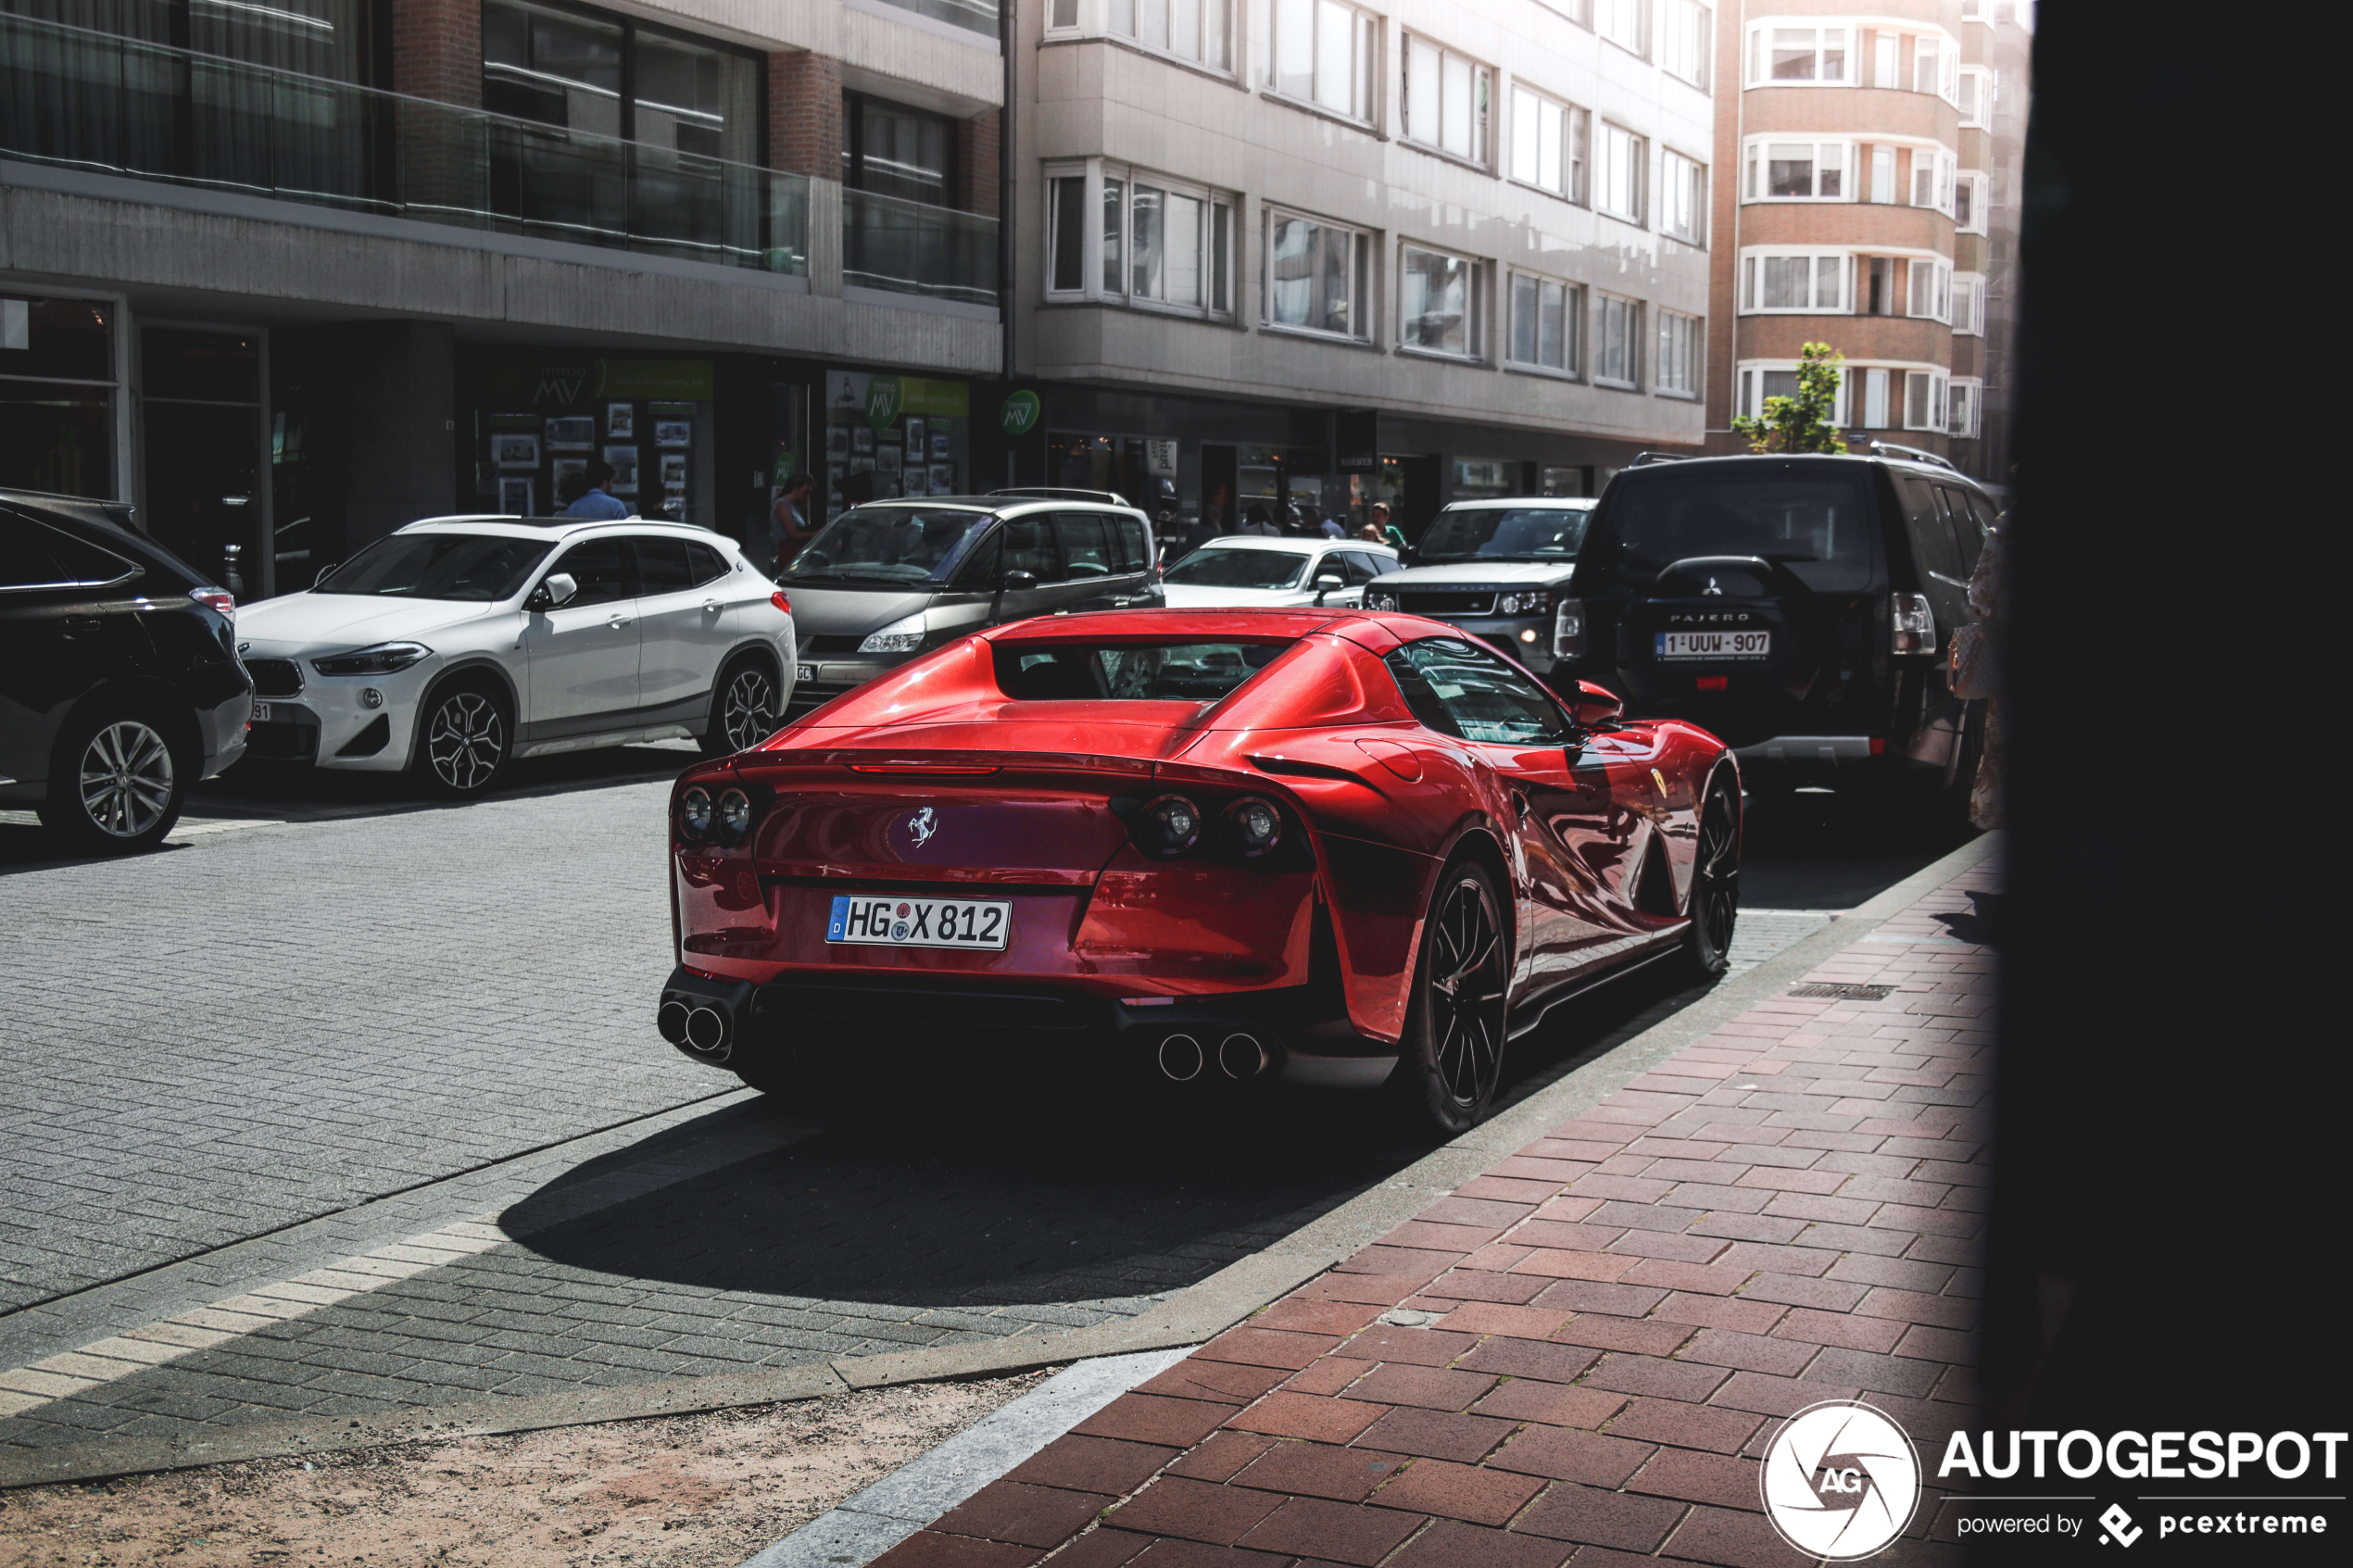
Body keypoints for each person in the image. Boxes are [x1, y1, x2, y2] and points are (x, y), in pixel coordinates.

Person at [770, 471, 819, 573]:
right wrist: (817, 533)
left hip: (795, 552)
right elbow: (793, 534)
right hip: (786, 552)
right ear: (796, 488)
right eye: (805, 492)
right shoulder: (782, 505)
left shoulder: (793, 507)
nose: (807, 496)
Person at [561, 459, 630, 520]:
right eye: (612, 481)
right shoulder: (616, 505)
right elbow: (624, 531)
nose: (612, 485)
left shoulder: (573, 507)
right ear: (605, 482)